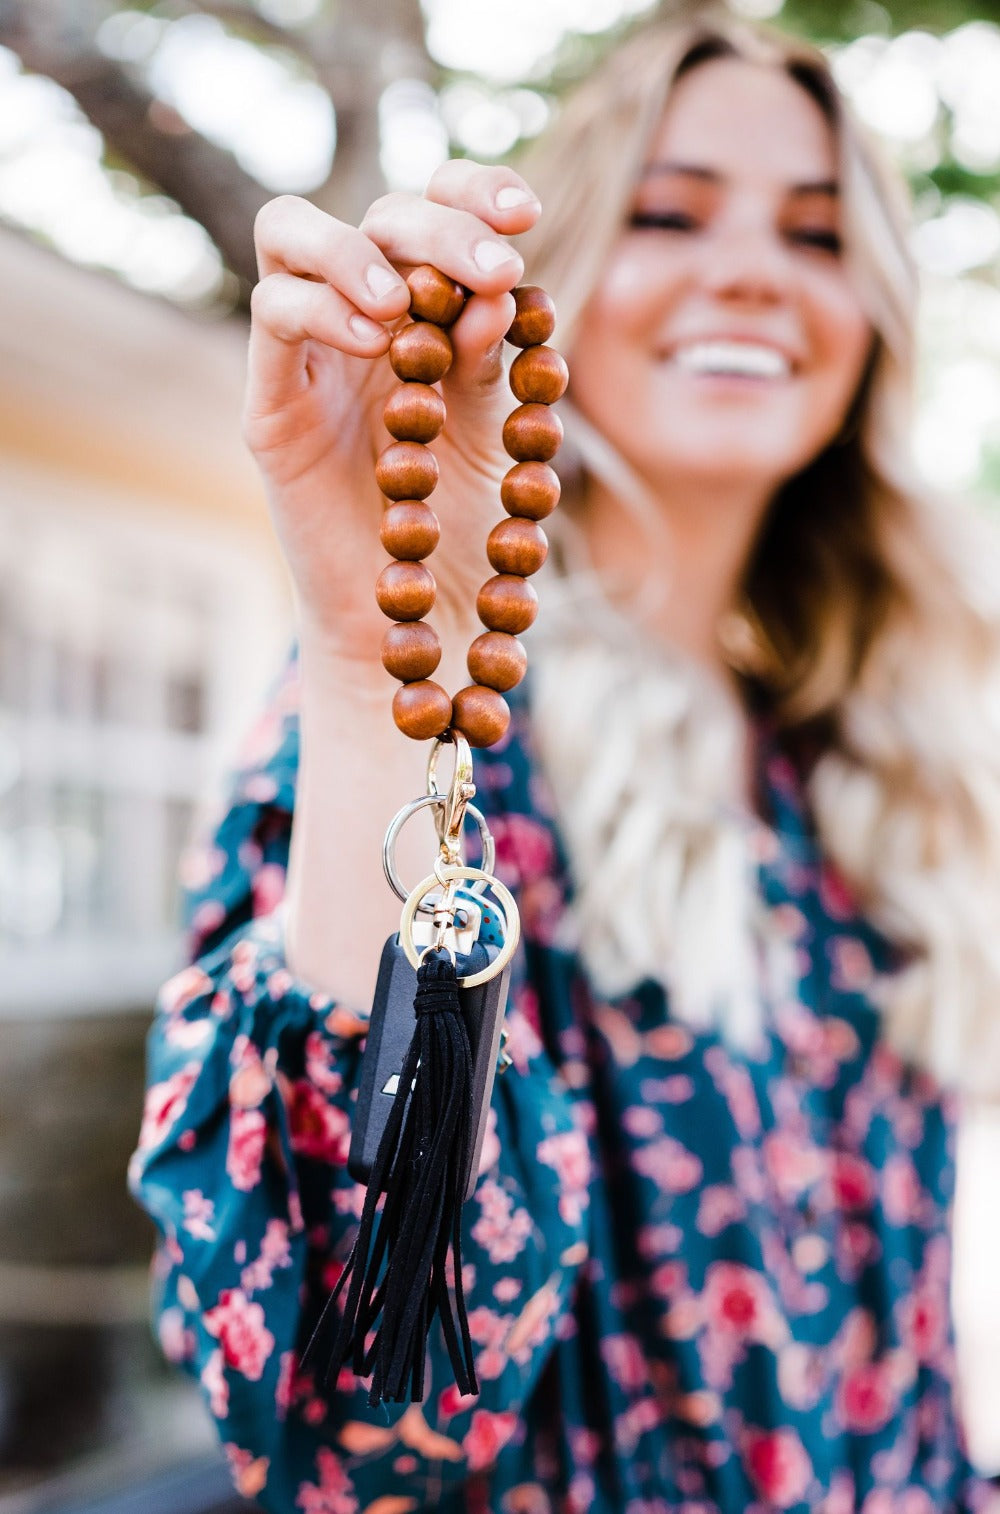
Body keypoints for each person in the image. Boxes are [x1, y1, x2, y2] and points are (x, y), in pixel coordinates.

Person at [129, 9, 1000, 1512]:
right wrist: (365, 663)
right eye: (670, 212)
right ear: (560, 282)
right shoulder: (436, 730)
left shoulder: (860, 766)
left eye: (815, 234)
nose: (747, 272)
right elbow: (358, 1429)